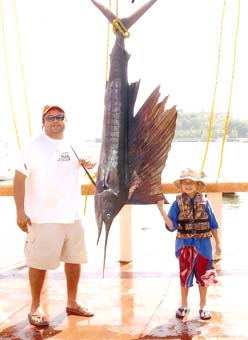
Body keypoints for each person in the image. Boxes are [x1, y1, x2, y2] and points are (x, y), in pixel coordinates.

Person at [13, 105, 96, 327]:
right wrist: (20, 211)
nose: (56, 121)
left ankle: (72, 302)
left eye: (60, 117)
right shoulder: (32, 147)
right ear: (43, 121)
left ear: (65, 120)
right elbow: (19, 179)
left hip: (73, 216)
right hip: (42, 218)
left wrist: (90, 162)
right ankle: (35, 306)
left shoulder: (75, 142)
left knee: (74, 260)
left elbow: (93, 161)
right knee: (38, 263)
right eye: (51, 117)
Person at [157, 168, 221, 320]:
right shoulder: (177, 204)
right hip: (185, 245)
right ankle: (184, 304)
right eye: (185, 182)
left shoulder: (205, 202)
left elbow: (213, 224)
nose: (188, 185)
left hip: (204, 246)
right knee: (184, 276)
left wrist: (218, 244)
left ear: (198, 185)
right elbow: (171, 227)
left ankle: (203, 305)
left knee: (205, 277)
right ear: (180, 185)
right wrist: (161, 210)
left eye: (191, 182)